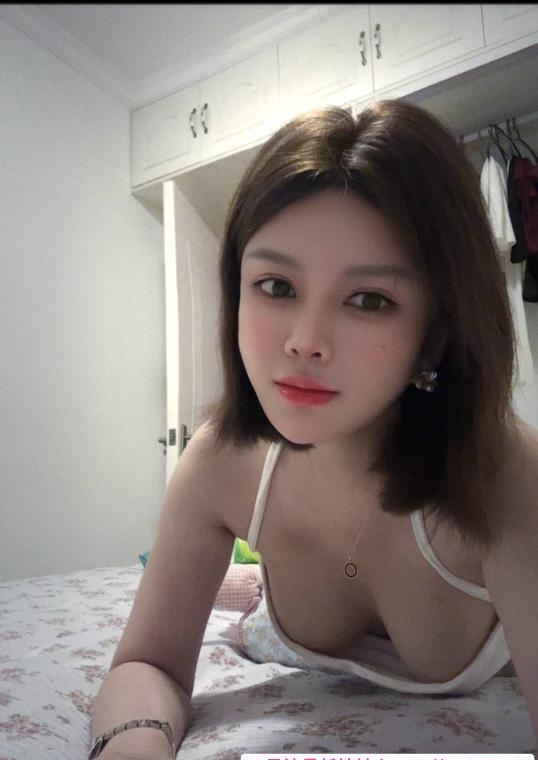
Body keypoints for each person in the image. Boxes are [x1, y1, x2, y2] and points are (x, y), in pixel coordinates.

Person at [89, 98, 538, 758]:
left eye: (368, 300)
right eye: (276, 286)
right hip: (262, 622)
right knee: (240, 598)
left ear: (436, 331)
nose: (304, 341)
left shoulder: (504, 472)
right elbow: (146, 664)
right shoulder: (220, 462)